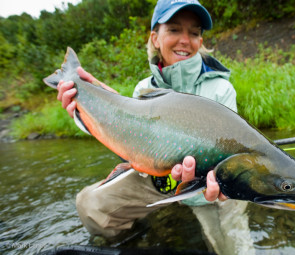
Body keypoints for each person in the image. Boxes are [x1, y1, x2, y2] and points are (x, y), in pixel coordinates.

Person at [56, 1, 254, 253]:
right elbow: (128, 141)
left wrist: (226, 184)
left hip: (208, 191)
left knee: (235, 249)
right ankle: (138, 237)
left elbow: (232, 156)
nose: (185, 40)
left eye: (194, 33)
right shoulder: (144, 89)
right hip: (157, 181)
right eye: (174, 30)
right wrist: (88, 101)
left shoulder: (220, 90)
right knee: (91, 204)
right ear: (155, 38)